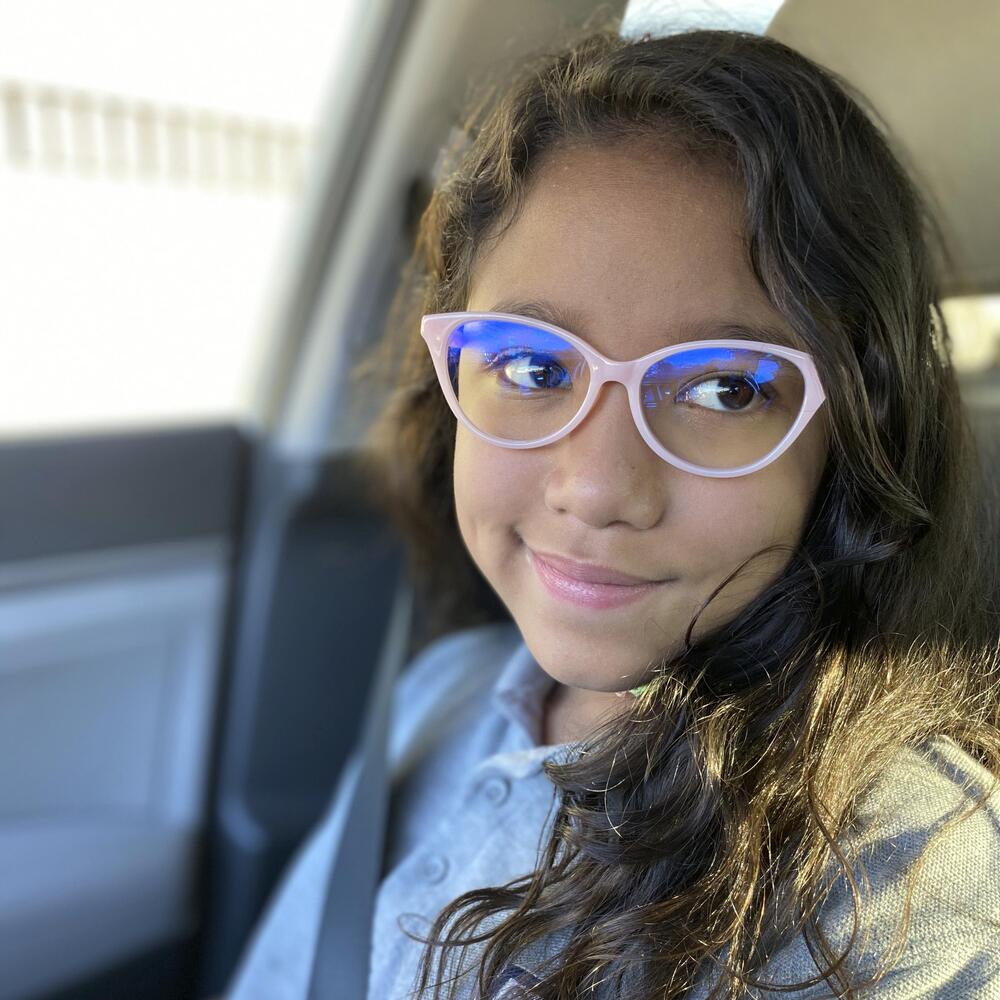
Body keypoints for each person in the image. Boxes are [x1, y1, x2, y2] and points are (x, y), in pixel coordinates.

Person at [228, 27, 1000, 1000]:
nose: (595, 487)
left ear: (850, 438)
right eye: (532, 366)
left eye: (724, 388)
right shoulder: (440, 694)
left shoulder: (907, 878)